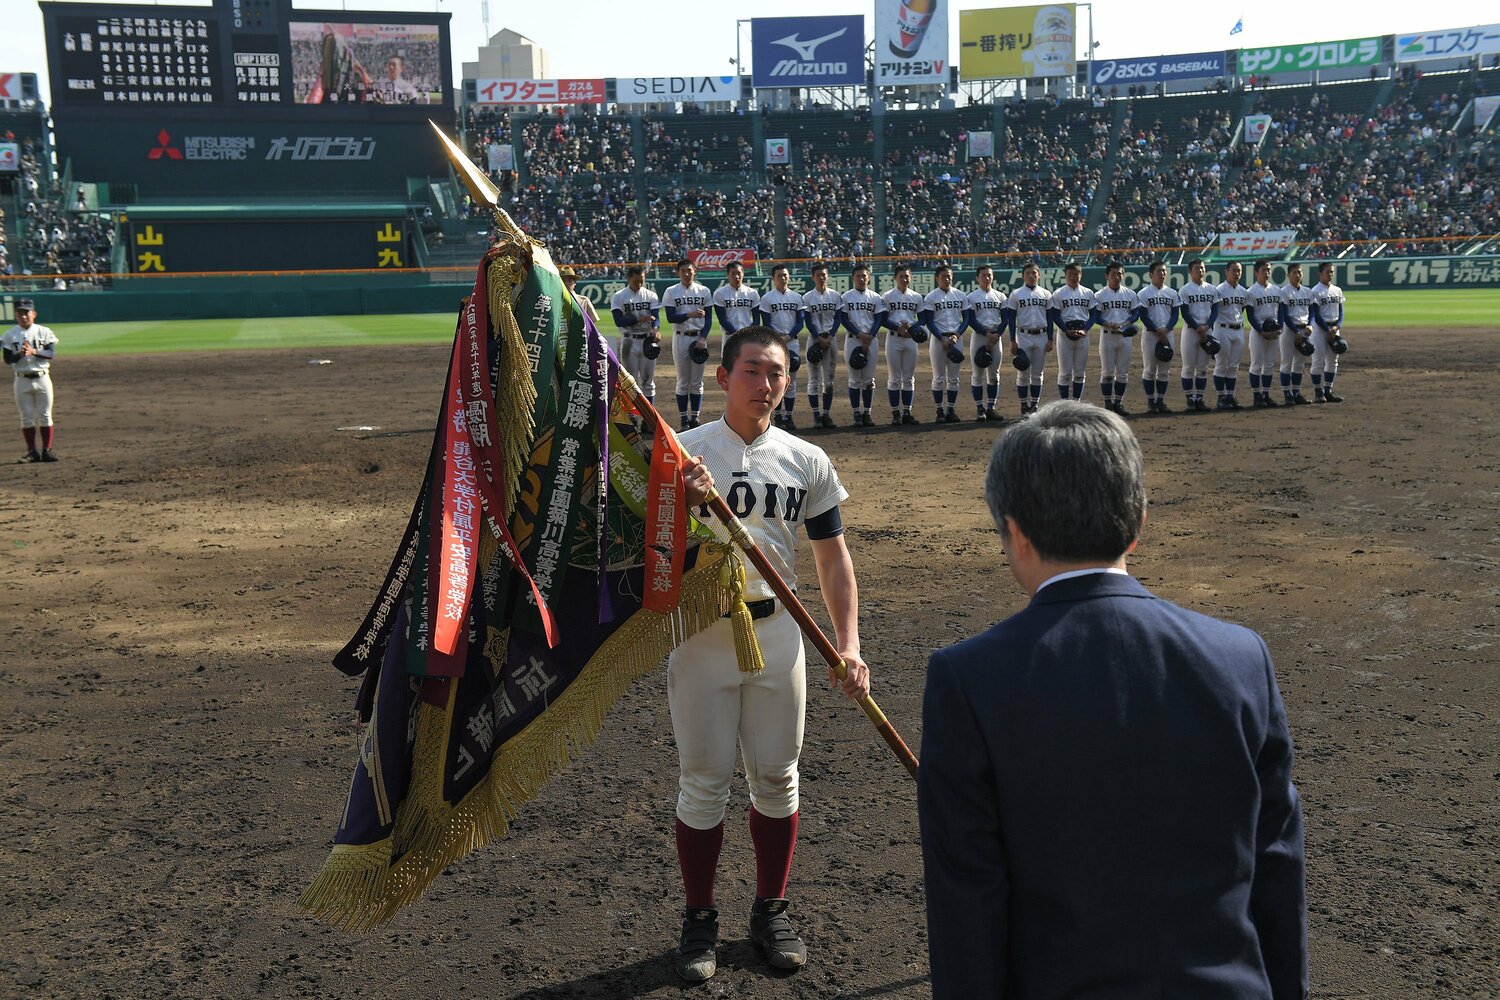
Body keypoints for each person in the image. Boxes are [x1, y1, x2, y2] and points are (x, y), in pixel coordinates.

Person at [918, 400, 1308, 1000]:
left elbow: (967, 902)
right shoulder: (1239, 658)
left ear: (1014, 532)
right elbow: (1276, 865)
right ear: (1138, 519)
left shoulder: (968, 677)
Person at [671, 326, 871, 982]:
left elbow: (833, 560)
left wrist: (849, 645)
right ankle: (699, 918)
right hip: (701, 634)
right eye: (751, 371)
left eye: (776, 373)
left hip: (780, 633)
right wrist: (680, 503)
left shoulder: (805, 459)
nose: (764, 384)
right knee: (704, 782)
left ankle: (770, 910)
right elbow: (645, 554)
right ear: (722, 377)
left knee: (778, 777)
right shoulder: (682, 454)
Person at [661, 258, 715, 430]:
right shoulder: (671, 291)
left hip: (699, 338)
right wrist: (690, 315)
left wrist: (703, 339)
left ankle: (695, 418)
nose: (686, 273)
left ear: (694, 271)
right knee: (683, 380)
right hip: (681, 337)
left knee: (697, 381)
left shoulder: (704, 291)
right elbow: (671, 318)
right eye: (683, 271)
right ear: (678, 273)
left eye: (689, 270)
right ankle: (684, 419)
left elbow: (709, 319)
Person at [2, 298, 58, 462]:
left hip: (42, 378)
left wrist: (34, 352)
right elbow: (7, 359)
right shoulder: (9, 335)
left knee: (45, 415)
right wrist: (21, 354)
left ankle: (47, 451)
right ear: (16, 315)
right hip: (21, 380)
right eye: (20, 313)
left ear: (34, 314)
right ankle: (32, 452)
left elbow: (51, 354)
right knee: (26, 417)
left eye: (26, 312)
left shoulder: (44, 331)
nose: (23, 316)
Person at [756, 264, 805, 431]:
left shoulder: (796, 297)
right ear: (773, 278)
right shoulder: (767, 298)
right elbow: (766, 323)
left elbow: (800, 322)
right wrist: (778, 339)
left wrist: (788, 337)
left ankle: (789, 416)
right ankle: (777, 416)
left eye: (785, 275)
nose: (783, 278)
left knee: (791, 380)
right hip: (773, 344)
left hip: (792, 341)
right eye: (779, 275)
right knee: (775, 379)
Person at [1002, 262, 1052, 418]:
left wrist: (1050, 339)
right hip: (1023, 335)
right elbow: (1011, 319)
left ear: (1039, 275)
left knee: (1037, 374)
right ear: (1023, 276)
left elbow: (1050, 318)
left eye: (1034, 273)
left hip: (1042, 335)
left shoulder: (1046, 294)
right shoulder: (1016, 294)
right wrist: (1012, 340)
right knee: (1023, 372)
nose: (1031, 276)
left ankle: (1034, 405)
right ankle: (1024, 406)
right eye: (1028, 273)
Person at [839, 262, 885, 427]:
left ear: (869, 278)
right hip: (853, 339)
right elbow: (844, 320)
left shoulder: (875, 297)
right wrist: (860, 335)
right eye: (858, 276)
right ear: (853, 278)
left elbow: (878, 319)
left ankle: (867, 413)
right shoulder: (846, 297)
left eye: (864, 276)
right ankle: (856, 414)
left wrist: (869, 337)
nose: (861, 278)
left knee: (868, 379)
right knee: (854, 379)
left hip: (871, 341)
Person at [921, 264, 968, 423]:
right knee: (939, 377)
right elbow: (929, 321)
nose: (947, 279)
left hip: (956, 339)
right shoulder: (931, 297)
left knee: (954, 378)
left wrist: (957, 334)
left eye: (949, 276)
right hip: (938, 340)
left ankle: (951, 410)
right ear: (937, 278)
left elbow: (966, 318)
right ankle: (939, 411)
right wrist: (941, 338)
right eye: (943, 276)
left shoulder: (960, 295)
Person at [609, 266, 661, 411]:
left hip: (647, 341)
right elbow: (619, 321)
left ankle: (648, 418)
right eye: (635, 281)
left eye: (641, 281)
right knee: (630, 381)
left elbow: (656, 317)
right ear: (629, 278)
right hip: (629, 341)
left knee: (648, 381)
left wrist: (656, 330)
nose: (639, 284)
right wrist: (639, 319)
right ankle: (631, 416)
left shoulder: (650, 295)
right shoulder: (619, 296)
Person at [1092, 260, 1140, 416]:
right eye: (1113, 274)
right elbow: (1096, 316)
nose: (1117, 277)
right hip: (1108, 336)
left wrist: (1128, 322)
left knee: (1122, 372)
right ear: (1107, 276)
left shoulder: (1130, 294)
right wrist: (1105, 323)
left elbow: (1136, 313)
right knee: (1107, 372)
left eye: (1119, 274)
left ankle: (1118, 403)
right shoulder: (1099, 295)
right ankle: (1107, 404)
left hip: (1125, 337)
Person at [880, 263, 925, 425]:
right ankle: (895, 414)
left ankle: (907, 412)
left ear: (911, 278)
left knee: (908, 378)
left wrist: (912, 328)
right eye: (901, 276)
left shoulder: (916, 297)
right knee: (894, 378)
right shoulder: (887, 296)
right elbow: (882, 320)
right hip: (894, 338)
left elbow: (923, 318)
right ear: (895, 278)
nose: (904, 279)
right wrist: (898, 328)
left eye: (907, 276)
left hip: (911, 339)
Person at [801, 263, 843, 428]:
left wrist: (831, 336)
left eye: (824, 274)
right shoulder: (807, 297)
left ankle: (826, 414)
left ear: (828, 276)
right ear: (813, 277)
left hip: (831, 340)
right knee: (813, 380)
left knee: (829, 380)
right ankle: (816, 416)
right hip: (814, 340)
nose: (821, 277)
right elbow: (808, 321)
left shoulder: (835, 295)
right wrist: (818, 338)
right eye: (818, 275)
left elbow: (838, 318)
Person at [1047, 262, 1095, 401]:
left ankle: (1076, 403)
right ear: (1065, 275)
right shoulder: (1058, 293)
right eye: (1070, 274)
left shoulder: (1088, 293)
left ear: (1081, 274)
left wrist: (1085, 329)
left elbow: (1094, 315)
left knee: (1079, 372)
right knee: (1065, 373)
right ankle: (1065, 403)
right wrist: (1065, 329)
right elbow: (1055, 316)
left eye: (1076, 274)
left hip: (1083, 336)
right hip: (1064, 336)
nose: (1073, 277)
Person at [1139, 260, 1181, 414]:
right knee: (1149, 370)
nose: (1162, 273)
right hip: (1151, 335)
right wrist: (1156, 330)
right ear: (1151, 274)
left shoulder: (1172, 293)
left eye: (1164, 271)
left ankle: (1160, 401)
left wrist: (1166, 329)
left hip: (1167, 334)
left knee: (1164, 370)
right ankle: (1151, 402)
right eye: (1159, 271)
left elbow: (1175, 314)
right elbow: (1143, 315)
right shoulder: (1143, 293)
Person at [1177, 259, 1219, 412]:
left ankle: (1199, 399)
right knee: (1188, 367)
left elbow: (1215, 311)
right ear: (1190, 271)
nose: (1200, 271)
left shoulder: (1212, 289)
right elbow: (1185, 313)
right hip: (1190, 331)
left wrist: (1207, 326)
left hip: (1207, 330)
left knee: (1202, 367)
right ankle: (1190, 399)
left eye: (1202, 268)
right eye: (1197, 268)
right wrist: (1197, 327)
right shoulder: (1184, 290)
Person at [965, 264, 1006, 421]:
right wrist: (987, 334)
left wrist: (997, 334)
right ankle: (979, 409)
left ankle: (990, 407)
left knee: (994, 374)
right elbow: (971, 320)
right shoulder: (971, 297)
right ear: (977, 278)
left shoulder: (1000, 296)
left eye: (989, 275)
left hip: (996, 337)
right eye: (983, 275)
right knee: (977, 374)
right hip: (979, 336)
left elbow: (1006, 319)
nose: (987, 278)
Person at [1246, 259, 1283, 408]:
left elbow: (1281, 311)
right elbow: (1250, 315)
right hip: (1258, 333)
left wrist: (1280, 327)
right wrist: (1261, 331)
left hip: (1274, 332)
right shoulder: (1251, 292)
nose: (1267, 273)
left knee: (1269, 364)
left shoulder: (1276, 290)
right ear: (1256, 272)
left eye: (1268, 270)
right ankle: (1257, 396)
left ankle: (1266, 395)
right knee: (1256, 364)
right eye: (1263, 270)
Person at [1278, 263, 1317, 406]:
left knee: (1299, 364)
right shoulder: (1284, 292)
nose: (1297, 275)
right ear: (1288, 275)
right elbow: (1284, 315)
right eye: (1294, 272)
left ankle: (1296, 393)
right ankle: (1287, 394)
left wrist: (1310, 324)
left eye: (1299, 272)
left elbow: (1312, 311)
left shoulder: (1308, 291)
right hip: (1289, 331)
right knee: (1287, 363)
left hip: (1304, 330)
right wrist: (1295, 331)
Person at [1213, 260, 1250, 410]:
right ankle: (1221, 397)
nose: (1237, 273)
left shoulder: (1243, 291)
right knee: (1222, 365)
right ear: (1226, 272)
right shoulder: (1219, 290)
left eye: (1239, 270)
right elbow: (1213, 311)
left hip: (1238, 329)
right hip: (1222, 329)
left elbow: (1241, 310)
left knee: (1234, 366)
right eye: (1234, 270)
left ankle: (1230, 396)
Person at [1309, 262, 1345, 403]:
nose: (1330, 274)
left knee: (1333, 360)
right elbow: (1316, 315)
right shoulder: (1315, 291)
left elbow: (1341, 311)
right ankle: (1318, 392)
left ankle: (1328, 391)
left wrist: (1337, 326)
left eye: (1332, 272)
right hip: (1319, 330)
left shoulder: (1337, 290)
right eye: (1328, 272)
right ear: (1320, 273)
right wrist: (1327, 329)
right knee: (1318, 360)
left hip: (1334, 329)